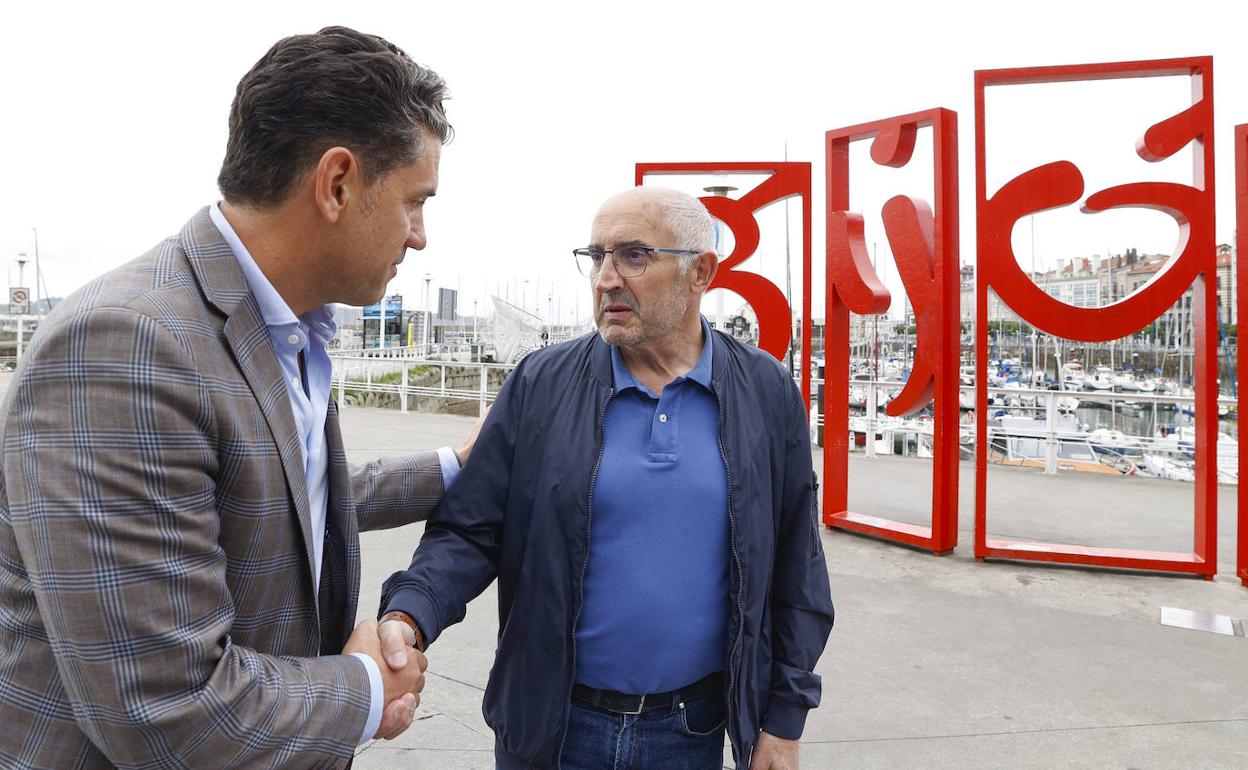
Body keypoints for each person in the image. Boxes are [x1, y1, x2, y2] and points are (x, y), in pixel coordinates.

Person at [0, 26, 473, 769]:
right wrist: (366, 687)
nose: (420, 237)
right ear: (338, 183)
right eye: (415, 201)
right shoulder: (127, 345)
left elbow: (273, 496)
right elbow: (164, 711)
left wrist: (453, 467)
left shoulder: (289, 328)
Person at [377, 186, 835, 769]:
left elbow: (798, 566)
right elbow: (469, 531)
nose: (606, 279)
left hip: (691, 733)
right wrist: (411, 612)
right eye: (597, 257)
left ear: (701, 272)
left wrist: (783, 720)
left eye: (634, 256)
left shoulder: (765, 391)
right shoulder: (541, 383)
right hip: (551, 727)